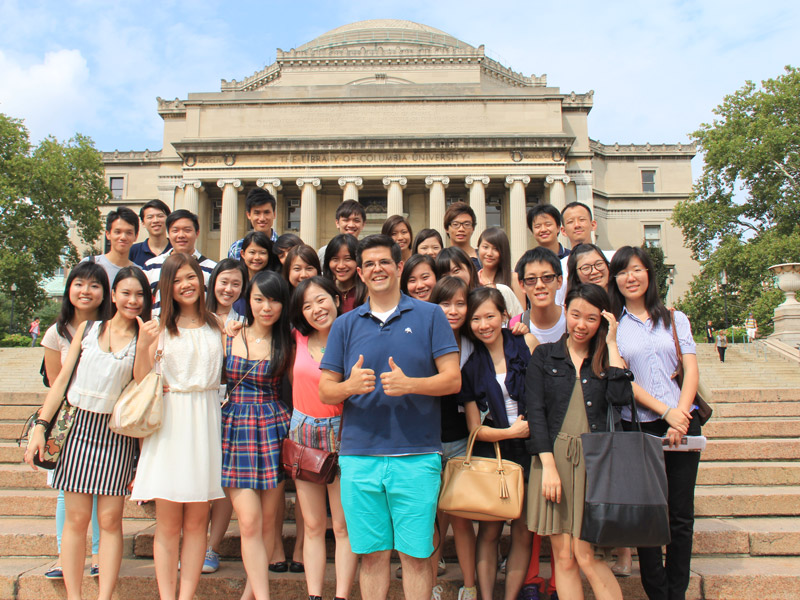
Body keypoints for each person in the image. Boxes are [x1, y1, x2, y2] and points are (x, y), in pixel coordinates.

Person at [319, 234, 461, 600]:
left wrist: (410, 384)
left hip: (416, 455)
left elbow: (452, 379)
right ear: (361, 274)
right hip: (359, 456)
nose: (376, 269)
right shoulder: (345, 324)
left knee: (416, 557)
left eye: (384, 262)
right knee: (372, 556)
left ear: (399, 266)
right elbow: (325, 390)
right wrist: (349, 386)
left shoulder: (430, 315)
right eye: (369, 264)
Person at [25, 266, 151, 600]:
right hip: (77, 428)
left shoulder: (145, 337)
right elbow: (62, 382)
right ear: (113, 296)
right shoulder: (89, 328)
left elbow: (142, 386)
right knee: (76, 521)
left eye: (139, 294)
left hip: (116, 434)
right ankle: (75, 595)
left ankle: (104, 595)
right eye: (125, 293)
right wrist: (41, 427)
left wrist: (147, 342)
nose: (132, 300)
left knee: (110, 521)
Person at [526, 284, 631, 600]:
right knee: (563, 557)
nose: (581, 325)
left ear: (603, 321)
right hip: (553, 460)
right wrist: (548, 467)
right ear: (565, 312)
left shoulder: (605, 359)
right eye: (575, 315)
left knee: (588, 555)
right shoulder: (545, 356)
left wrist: (612, 344)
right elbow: (537, 414)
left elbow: (621, 397)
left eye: (591, 318)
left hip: (593, 462)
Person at [130, 254, 225, 600]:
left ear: (201, 281)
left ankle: (187, 594)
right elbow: (141, 380)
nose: (186, 285)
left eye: (192, 277)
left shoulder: (216, 323)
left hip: (206, 420)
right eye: (178, 280)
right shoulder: (157, 326)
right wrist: (143, 346)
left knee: (199, 519)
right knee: (169, 523)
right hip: (170, 424)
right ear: (167, 287)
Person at [609, 245, 699, 600]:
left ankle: (677, 591)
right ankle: (657, 592)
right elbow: (622, 378)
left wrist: (681, 415)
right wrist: (665, 412)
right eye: (622, 271)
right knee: (649, 515)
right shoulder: (613, 325)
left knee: (680, 514)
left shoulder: (675, 319)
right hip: (640, 425)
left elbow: (690, 367)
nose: (630, 277)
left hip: (683, 423)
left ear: (649, 274)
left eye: (637, 269)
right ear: (615, 279)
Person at [458, 287, 537, 600]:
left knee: (523, 531)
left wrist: (529, 431)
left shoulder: (526, 343)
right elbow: (475, 430)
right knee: (489, 531)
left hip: (533, 453)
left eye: (490, 315)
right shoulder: (471, 368)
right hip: (494, 455)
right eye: (476, 319)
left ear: (505, 315)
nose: (483, 324)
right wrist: (512, 432)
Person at [219, 270, 293, 600]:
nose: (266, 306)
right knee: (248, 521)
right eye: (259, 299)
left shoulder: (288, 341)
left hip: (273, 427)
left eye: (274, 299)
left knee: (266, 525)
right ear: (248, 300)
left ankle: (252, 594)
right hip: (234, 428)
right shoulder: (230, 333)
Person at [40, 261, 112, 581]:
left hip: (104, 417)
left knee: (99, 490)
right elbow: (56, 382)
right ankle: (63, 555)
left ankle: (97, 553)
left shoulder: (112, 326)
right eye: (79, 284)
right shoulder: (55, 333)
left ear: (104, 293)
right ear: (69, 289)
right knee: (65, 491)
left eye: (94, 285)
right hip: (68, 417)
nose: (86, 291)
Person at [288, 276, 358, 600]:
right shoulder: (296, 339)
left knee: (343, 527)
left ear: (336, 298)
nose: (317, 309)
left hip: (343, 435)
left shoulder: (353, 338)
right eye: (307, 305)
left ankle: (341, 595)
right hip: (303, 435)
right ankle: (314, 595)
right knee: (313, 526)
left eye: (321, 300)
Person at [429, 276, 478, 600]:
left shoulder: (477, 343)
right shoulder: (425, 340)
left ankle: (470, 586)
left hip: (462, 441)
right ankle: (429, 582)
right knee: (429, 523)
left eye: (460, 303)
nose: (453, 310)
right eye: (445, 303)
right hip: (429, 440)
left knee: (461, 521)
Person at [201, 258, 248, 574]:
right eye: (223, 281)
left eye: (236, 284)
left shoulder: (244, 322)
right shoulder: (193, 318)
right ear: (212, 282)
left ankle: (211, 547)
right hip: (194, 405)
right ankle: (192, 541)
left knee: (223, 482)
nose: (228, 289)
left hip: (228, 407)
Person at [142, 210, 216, 314]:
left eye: (187, 230)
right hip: (158, 327)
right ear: (168, 233)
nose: (181, 235)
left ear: (197, 233)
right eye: (175, 231)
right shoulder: (151, 266)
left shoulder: (212, 269)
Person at [436, 247, 523, 319]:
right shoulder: (443, 310)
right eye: (445, 275)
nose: (452, 278)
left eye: (456, 270)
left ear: (469, 268)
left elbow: (520, 323)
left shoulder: (501, 291)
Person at [510, 248, 566, 343]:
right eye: (531, 279)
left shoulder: (573, 320)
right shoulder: (513, 327)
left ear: (559, 281)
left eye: (547, 277)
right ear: (522, 285)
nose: (539, 285)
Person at [84, 208, 138, 285]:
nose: (123, 237)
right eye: (117, 232)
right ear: (108, 234)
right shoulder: (89, 265)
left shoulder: (139, 272)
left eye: (129, 233)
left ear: (136, 236)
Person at [476, 227, 525, 306]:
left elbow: (520, 314)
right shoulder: (473, 279)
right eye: (485, 247)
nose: (489, 253)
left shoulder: (513, 279)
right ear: (478, 248)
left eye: (495, 249)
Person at [227, 188, 279, 260]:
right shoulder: (237, 248)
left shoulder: (284, 248)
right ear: (248, 215)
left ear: (274, 214)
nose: (262, 218)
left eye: (266, 212)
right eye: (257, 213)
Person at [322, 234, 367, 313]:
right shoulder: (323, 291)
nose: (341, 266)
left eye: (348, 259)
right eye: (335, 259)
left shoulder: (368, 291)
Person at [129, 199, 171, 267]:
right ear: (143, 223)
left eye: (160, 216)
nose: (155, 220)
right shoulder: (133, 251)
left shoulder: (176, 250)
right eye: (150, 217)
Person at [444, 202, 480, 269]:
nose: (461, 229)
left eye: (466, 224)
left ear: (473, 228)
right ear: (446, 228)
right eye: (455, 224)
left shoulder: (483, 258)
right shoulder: (441, 260)